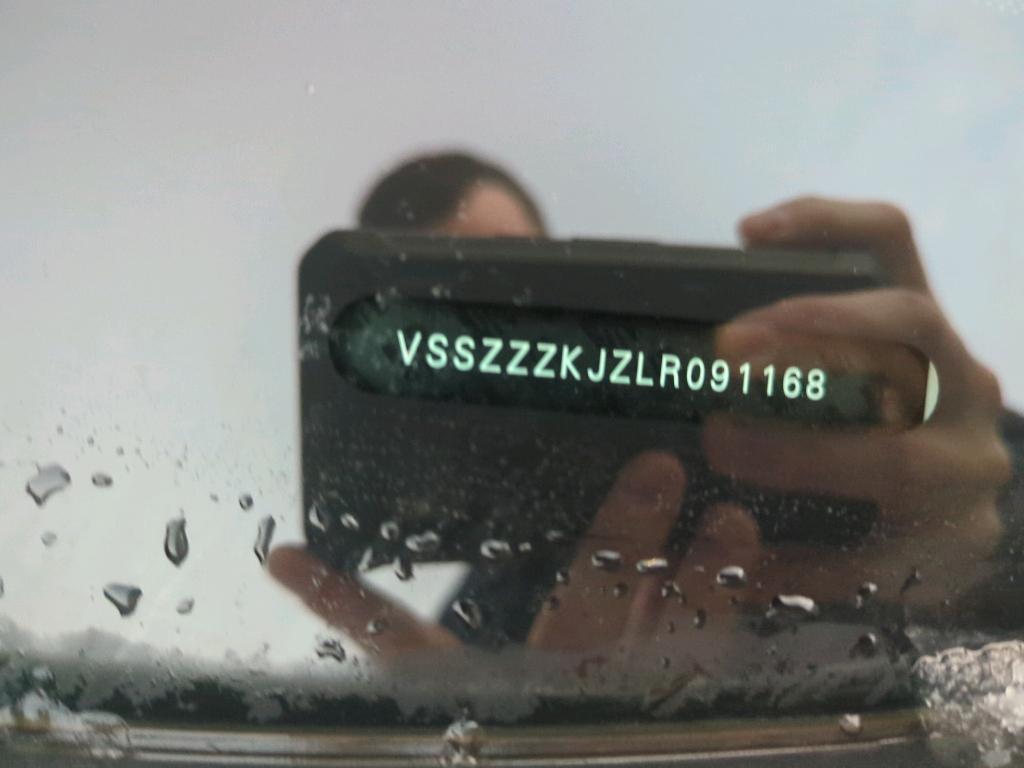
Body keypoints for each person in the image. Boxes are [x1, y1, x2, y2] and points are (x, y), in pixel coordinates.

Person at [271, 150, 1022, 661]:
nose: (500, 341)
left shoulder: (805, 435)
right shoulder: (477, 654)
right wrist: (502, 737)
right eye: (439, 322)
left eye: (511, 280)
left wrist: (995, 535)